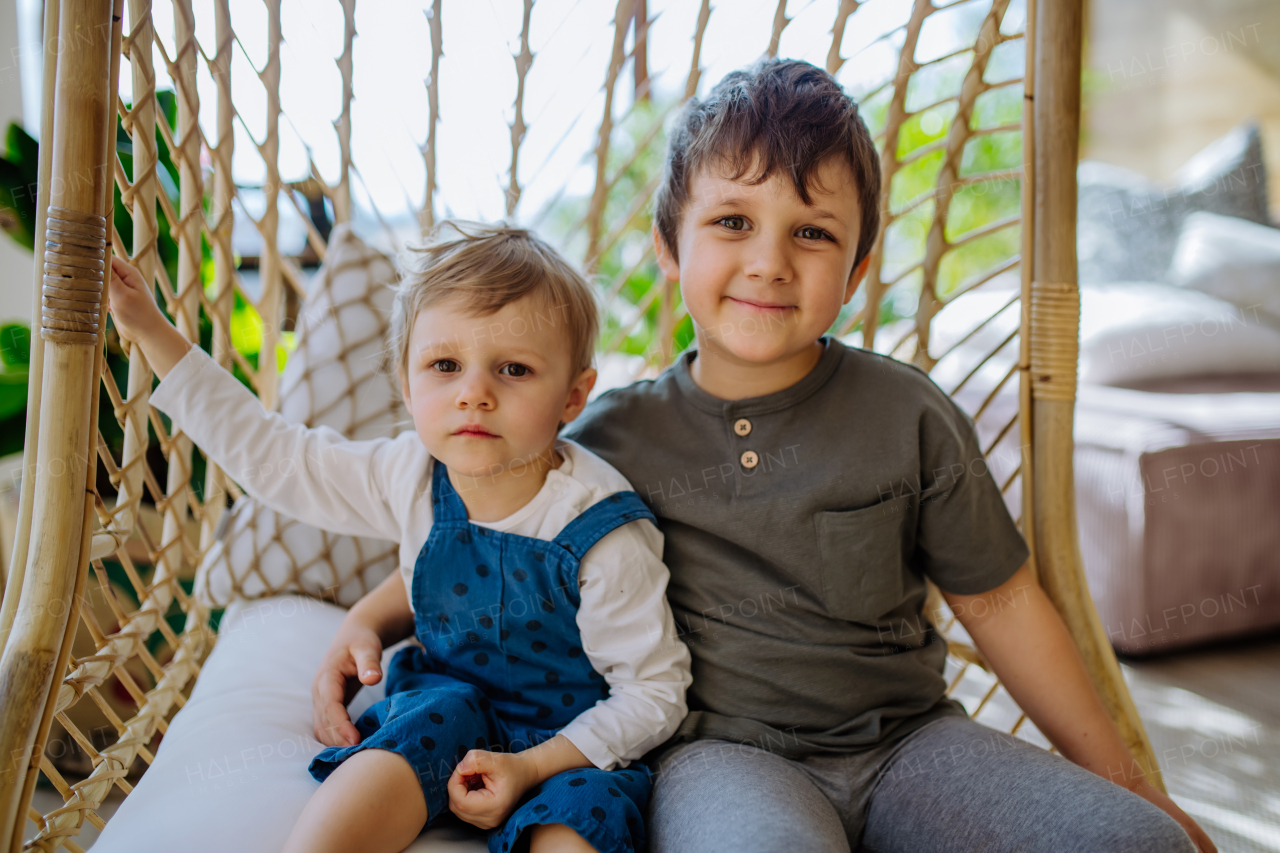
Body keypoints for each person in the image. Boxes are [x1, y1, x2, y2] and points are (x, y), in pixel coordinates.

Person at [561, 57, 1215, 853]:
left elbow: (1001, 602)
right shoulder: (611, 436)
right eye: (733, 221)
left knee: (1140, 843)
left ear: (857, 271)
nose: (770, 260)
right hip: (722, 757)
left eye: (812, 232)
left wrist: (1127, 781)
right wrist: (380, 622)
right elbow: (488, 524)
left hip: (912, 743)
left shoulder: (907, 412)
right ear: (669, 245)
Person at [105, 220, 692, 853]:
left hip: (570, 742)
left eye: (514, 369)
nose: (474, 394)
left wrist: (533, 766)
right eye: (445, 365)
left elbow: (654, 690)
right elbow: (274, 456)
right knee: (394, 755)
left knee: (578, 827)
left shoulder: (602, 531)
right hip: (447, 707)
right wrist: (150, 331)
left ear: (574, 396)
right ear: (406, 385)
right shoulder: (410, 473)